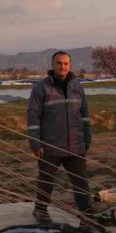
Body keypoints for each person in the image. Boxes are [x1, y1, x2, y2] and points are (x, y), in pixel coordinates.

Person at [27, 51, 93, 223]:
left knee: (81, 183)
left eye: (65, 63)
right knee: (46, 180)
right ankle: (40, 210)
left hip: (76, 145)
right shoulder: (41, 88)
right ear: (53, 65)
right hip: (50, 146)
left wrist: (87, 137)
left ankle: (88, 214)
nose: (62, 66)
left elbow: (85, 114)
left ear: (70, 66)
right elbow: (33, 117)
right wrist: (35, 143)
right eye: (59, 63)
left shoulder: (77, 87)